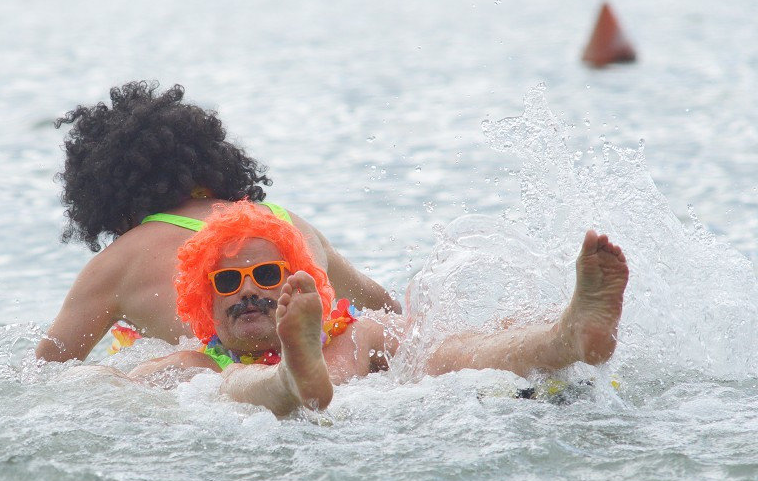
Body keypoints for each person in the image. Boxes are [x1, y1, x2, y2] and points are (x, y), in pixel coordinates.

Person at [121, 201, 630, 417]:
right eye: (229, 281)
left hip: (382, 402)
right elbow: (109, 386)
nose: (249, 290)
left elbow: (452, 341)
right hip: (268, 390)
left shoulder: (354, 335)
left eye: (268, 276)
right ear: (203, 300)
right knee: (227, 384)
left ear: (298, 284)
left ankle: (568, 335)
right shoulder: (193, 363)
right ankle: (292, 382)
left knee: (445, 352)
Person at [35, 81, 399, 363]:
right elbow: (388, 310)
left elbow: (45, 374)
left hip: (223, 383)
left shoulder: (117, 262)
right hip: (334, 361)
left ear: (103, 197)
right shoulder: (287, 222)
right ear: (213, 163)